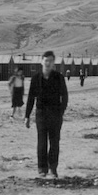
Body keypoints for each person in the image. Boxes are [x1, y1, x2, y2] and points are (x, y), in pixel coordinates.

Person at [25, 51, 68, 179]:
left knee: (54, 142)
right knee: (41, 142)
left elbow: (64, 96)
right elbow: (31, 98)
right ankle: (42, 169)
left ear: (54, 62)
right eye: (46, 60)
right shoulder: (36, 78)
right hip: (41, 114)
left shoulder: (59, 77)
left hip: (55, 114)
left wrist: (61, 111)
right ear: (41, 61)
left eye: (50, 60)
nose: (48, 63)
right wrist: (27, 116)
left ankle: (53, 168)